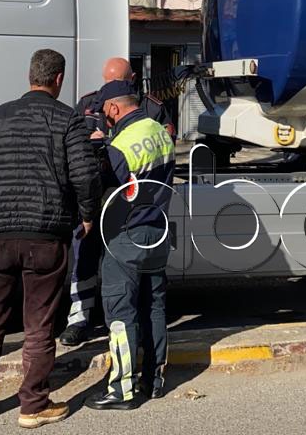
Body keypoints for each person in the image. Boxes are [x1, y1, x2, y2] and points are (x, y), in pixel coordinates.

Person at [0, 49, 101, 427]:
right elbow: (86, 176)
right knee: (39, 325)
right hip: (46, 235)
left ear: (29, 76)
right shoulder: (68, 120)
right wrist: (87, 216)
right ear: (59, 79)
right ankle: (33, 405)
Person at [63, 57, 175, 347]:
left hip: (129, 208)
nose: (110, 87)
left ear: (133, 79)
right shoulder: (90, 102)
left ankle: (126, 347)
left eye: (118, 82)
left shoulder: (153, 108)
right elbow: (73, 143)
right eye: (107, 81)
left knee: (127, 293)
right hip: (98, 200)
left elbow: (162, 146)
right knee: (84, 257)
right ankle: (80, 317)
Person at [86, 79, 176, 411]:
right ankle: (154, 381)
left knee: (120, 312)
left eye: (104, 113)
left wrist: (99, 148)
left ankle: (122, 390)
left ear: (113, 108)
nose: (103, 119)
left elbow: (105, 181)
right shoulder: (160, 130)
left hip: (126, 233)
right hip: (158, 230)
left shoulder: (120, 144)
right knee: (154, 306)